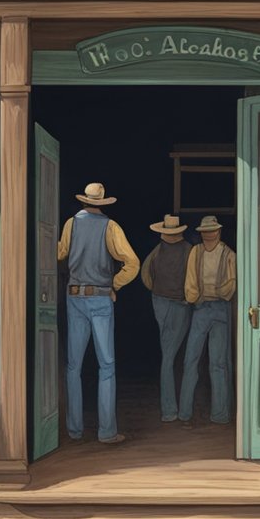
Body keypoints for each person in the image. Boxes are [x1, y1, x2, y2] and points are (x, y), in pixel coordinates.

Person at [57, 182, 140, 444]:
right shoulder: (110, 227)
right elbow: (133, 263)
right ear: (102, 203)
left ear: (84, 201)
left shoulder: (71, 224)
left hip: (74, 297)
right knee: (106, 366)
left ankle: (74, 430)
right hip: (101, 298)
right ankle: (106, 431)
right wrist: (115, 283)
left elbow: (60, 253)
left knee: (73, 366)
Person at [180, 215, 236, 427]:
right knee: (191, 360)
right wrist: (194, 297)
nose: (209, 235)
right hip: (201, 308)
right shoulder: (196, 253)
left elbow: (230, 286)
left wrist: (218, 292)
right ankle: (185, 412)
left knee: (218, 364)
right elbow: (191, 283)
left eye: (212, 231)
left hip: (221, 309)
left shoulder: (229, 255)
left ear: (218, 232)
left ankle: (220, 414)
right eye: (206, 231)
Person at [141, 214, 193, 423]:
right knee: (171, 356)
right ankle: (170, 410)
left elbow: (145, 274)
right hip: (180, 303)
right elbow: (194, 278)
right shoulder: (189, 250)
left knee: (168, 351)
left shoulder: (157, 250)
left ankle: (170, 409)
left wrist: (155, 290)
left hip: (159, 302)